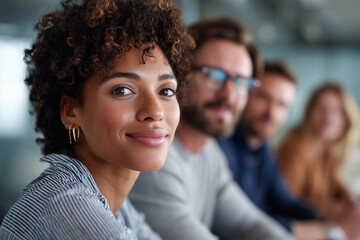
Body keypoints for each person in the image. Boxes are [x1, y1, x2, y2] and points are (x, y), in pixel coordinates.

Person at [0, 0, 194, 239]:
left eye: (166, 91)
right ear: (71, 111)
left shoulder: (116, 207)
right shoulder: (65, 206)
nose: (155, 111)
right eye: (122, 90)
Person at [129, 17, 292, 240]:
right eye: (214, 75)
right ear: (179, 74)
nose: (229, 95)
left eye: (240, 82)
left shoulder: (210, 153)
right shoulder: (155, 153)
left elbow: (249, 223)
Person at [218, 60, 317, 232]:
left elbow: (286, 202)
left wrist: (329, 220)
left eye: (282, 105)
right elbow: (241, 221)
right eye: (264, 97)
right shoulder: (220, 145)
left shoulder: (264, 152)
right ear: (244, 94)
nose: (272, 113)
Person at [277, 83, 360, 239]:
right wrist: (338, 209)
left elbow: (338, 188)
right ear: (309, 112)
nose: (328, 117)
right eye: (321, 108)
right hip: (291, 228)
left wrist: (352, 199)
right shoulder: (296, 147)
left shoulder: (326, 150)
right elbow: (288, 202)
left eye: (337, 111)